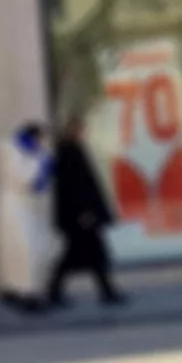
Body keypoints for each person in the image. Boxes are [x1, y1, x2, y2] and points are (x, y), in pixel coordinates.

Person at [44, 118, 121, 307]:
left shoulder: (72, 150)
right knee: (81, 256)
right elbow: (75, 188)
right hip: (80, 216)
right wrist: (84, 212)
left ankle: (106, 291)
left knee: (89, 255)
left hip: (81, 215)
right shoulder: (68, 153)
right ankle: (56, 291)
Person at [0, 124, 52, 312]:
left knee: (30, 250)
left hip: (28, 208)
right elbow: (25, 179)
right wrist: (42, 165)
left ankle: (19, 288)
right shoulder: (14, 152)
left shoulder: (32, 152)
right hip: (18, 207)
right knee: (26, 250)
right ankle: (28, 293)